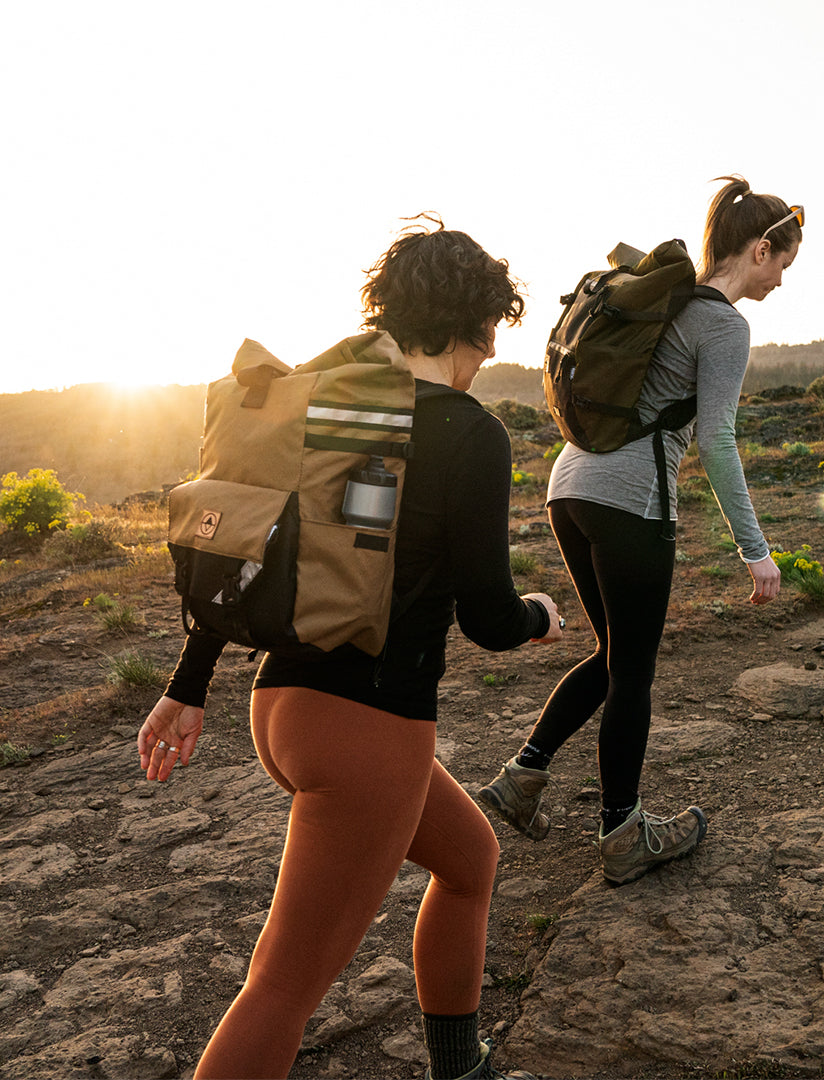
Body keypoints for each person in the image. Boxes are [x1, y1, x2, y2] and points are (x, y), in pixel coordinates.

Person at [137, 218, 562, 1080]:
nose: (487, 353)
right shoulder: (469, 432)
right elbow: (484, 617)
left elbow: (241, 555)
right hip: (370, 728)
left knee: (470, 858)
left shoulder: (327, 412)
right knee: (282, 988)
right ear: (475, 325)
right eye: (489, 334)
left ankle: (458, 1065)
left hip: (282, 707)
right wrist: (539, 616)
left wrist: (187, 686)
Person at [479, 176, 801, 886]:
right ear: (760, 249)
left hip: (570, 485)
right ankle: (623, 831)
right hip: (630, 499)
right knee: (633, 670)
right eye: (782, 263)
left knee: (611, 653)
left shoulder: (666, 301)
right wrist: (757, 550)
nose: (781, 281)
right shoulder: (722, 324)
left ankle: (521, 778)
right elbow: (716, 439)